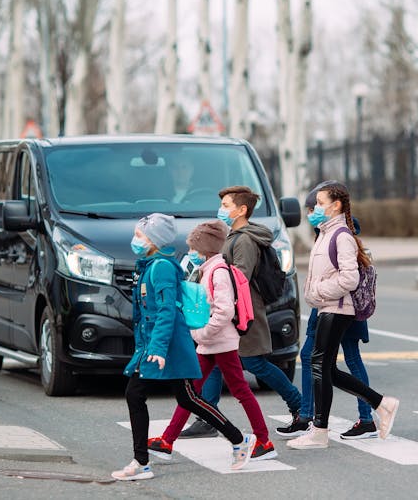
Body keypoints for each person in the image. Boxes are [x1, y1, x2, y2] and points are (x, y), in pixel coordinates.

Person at [111, 213, 256, 480]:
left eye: (140, 235)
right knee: (185, 397)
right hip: (156, 345)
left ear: (154, 240)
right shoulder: (149, 266)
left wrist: (158, 347)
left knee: (147, 394)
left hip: (168, 346)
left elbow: (167, 311)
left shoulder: (161, 268)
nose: (135, 240)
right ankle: (237, 439)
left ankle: (142, 462)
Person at [179, 186, 303, 444]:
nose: (221, 209)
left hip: (243, 312)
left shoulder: (244, 240)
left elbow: (239, 278)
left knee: (255, 364)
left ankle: (299, 405)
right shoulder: (234, 235)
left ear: (241, 209)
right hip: (232, 312)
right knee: (213, 359)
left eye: (226, 205)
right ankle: (207, 416)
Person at [146, 220, 278, 462]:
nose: (191, 253)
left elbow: (224, 312)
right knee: (192, 393)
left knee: (239, 391)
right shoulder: (209, 269)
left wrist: (201, 334)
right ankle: (167, 440)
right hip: (211, 342)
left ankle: (264, 441)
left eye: (194, 249)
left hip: (220, 342)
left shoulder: (218, 273)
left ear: (205, 248)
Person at [287, 183, 399, 450]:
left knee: (319, 365)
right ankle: (381, 404)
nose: (314, 209)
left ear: (336, 205)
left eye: (320, 203)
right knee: (325, 368)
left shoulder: (341, 236)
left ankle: (320, 431)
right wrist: (315, 293)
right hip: (328, 307)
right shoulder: (325, 234)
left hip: (338, 309)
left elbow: (350, 278)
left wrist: (318, 291)